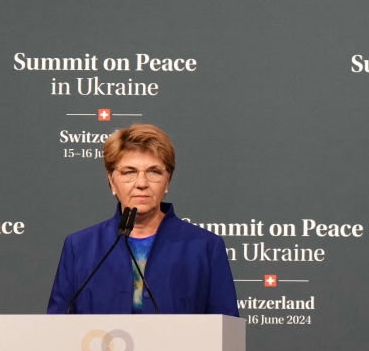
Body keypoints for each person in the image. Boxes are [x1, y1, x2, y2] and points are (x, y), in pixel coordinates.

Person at [47, 124, 238, 315]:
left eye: (154, 171)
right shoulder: (79, 246)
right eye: (129, 172)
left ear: (167, 180)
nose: (141, 183)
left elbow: (226, 333)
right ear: (112, 180)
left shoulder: (205, 247)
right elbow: (57, 329)